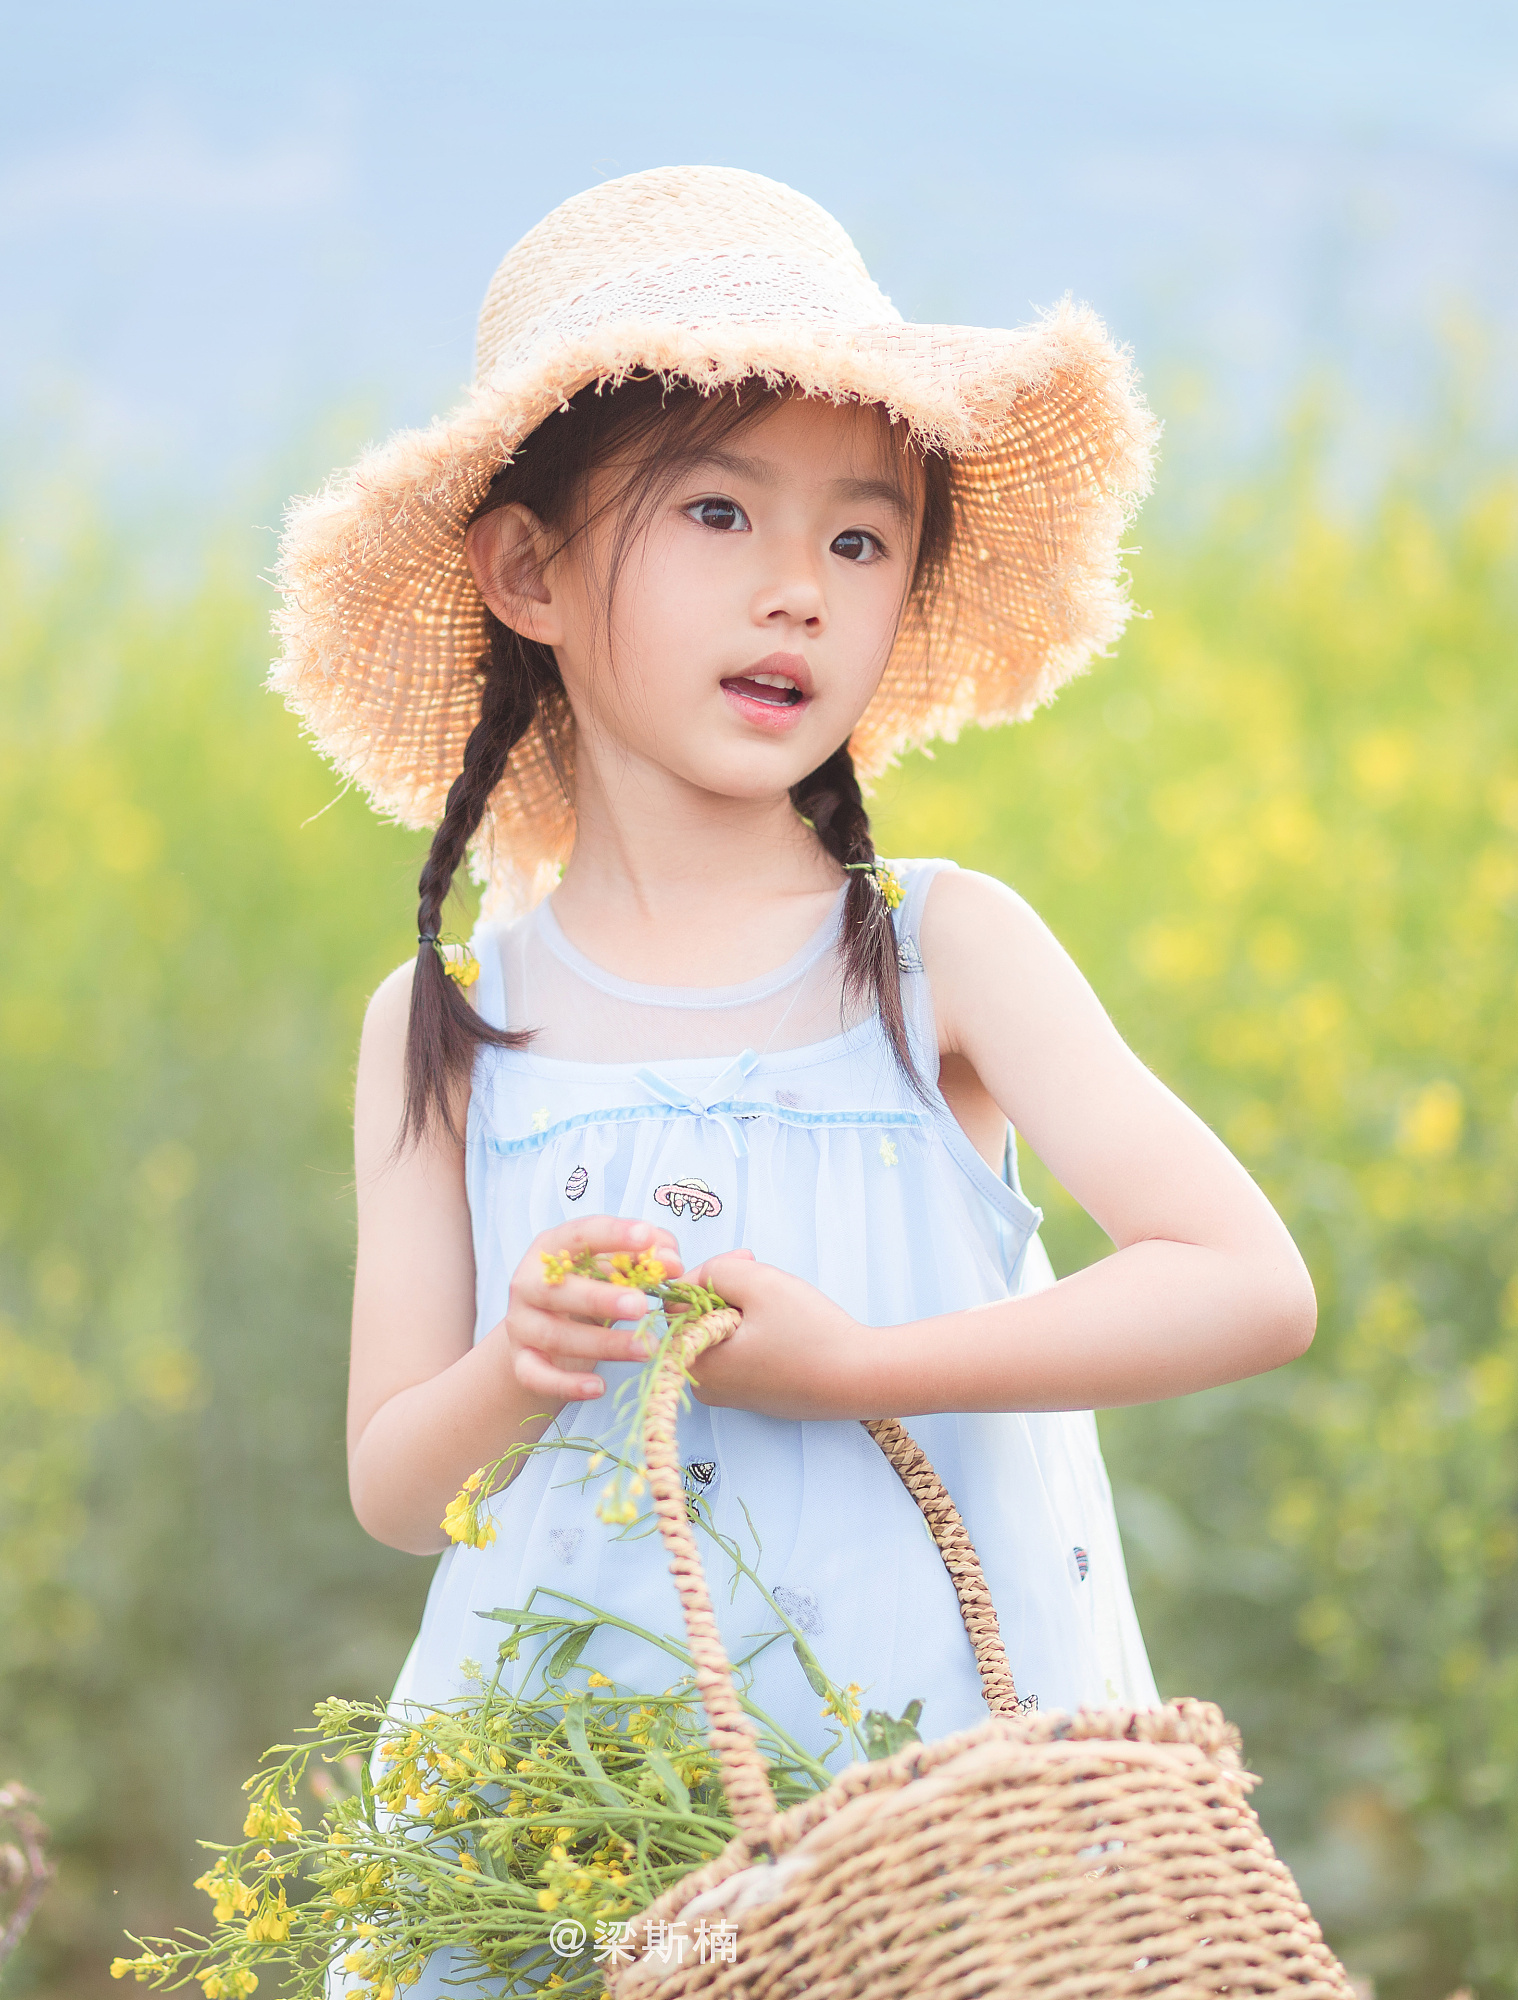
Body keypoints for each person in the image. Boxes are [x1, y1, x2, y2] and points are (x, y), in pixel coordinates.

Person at [277, 165, 1317, 1993]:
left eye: (858, 540)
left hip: (939, 1828)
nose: (797, 591)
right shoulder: (443, 1021)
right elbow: (388, 1480)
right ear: (525, 568)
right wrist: (514, 1370)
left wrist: (857, 1372)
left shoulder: (941, 952)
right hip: (573, 1818)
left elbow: (1248, 1284)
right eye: (713, 510)